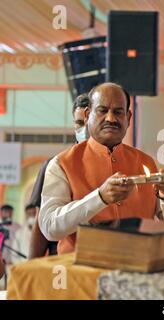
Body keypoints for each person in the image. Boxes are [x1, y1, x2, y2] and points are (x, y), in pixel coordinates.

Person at [38, 82, 164, 254]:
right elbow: (50, 228)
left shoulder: (148, 163)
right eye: (102, 110)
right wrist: (99, 198)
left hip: (138, 268)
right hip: (81, 272)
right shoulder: (62, 164)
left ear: (129, 117)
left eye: (118, 112)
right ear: (88, 115)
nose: (111, 118)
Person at [28, 93, 90, 259]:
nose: (85, 129)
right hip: (61, 258)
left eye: (89, 122)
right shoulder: (56, 165)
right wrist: (31, 268)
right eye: (79, 123)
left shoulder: (116, 163)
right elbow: (40, 226)